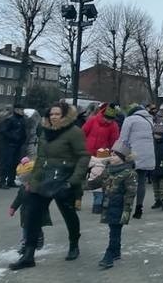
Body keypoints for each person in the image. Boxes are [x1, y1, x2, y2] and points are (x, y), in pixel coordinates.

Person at [9, 102, 90, 271]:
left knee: (68, 214)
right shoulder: (45, 132)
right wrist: (33, 181)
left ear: (65, 116)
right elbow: (40, 158)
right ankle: (29, 255)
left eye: (57, 114)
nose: (53, 117)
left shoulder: (74, 132)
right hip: (44, 178)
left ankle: (74, 244)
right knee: (32, 215)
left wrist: (74, 180)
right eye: (51, 114)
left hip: (64, 179)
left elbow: (83, 156)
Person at [86, 140, 137, 270]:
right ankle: (116, 252)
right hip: (108, 205)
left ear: (122, 158)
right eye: (112, 154)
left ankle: (109, 255)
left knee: (114, 232)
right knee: (114, 231)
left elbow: (130, 194)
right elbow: (96, 183)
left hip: (119, 207)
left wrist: (126, 212)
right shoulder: (108, 170)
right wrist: (81, 184)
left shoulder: (129, 174)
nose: (111, 157)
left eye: (115, 155)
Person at [118, 104, 154, 220]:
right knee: (141, 182)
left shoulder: (129, 120)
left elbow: (123, 139)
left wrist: (119, 155)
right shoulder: (150, 120)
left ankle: (126, 208)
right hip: (147, 154)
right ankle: (139, 208)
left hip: (132, 154)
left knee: (127, 181)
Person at [9, 156, 50, 252]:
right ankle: (25, 245)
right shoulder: (22, 188)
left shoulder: (39, 186)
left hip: (36, 212)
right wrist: (13, 207)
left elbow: (45, 196)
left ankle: (38, 238)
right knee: (25, 228)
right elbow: (19, 198)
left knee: (35, 227)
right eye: (22, 179)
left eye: (27, 178)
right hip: (25, 213)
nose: (25, 182)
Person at [0, 104, 27, 189]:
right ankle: (2, 182)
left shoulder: (22, 120)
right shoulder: (10, 119)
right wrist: (13, 137)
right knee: (6, 163)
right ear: (16, 110)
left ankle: (11, 180)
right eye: (21, 109)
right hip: (9, 145)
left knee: (14, 163)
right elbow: (3, 131)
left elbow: (23, 132)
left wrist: (22, 139)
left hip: (18, 145)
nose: (22, 111)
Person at [87, 148, 111, 214]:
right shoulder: (107, 164)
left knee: (96, 197)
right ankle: (97, 209)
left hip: (92, 183)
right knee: (101, 197)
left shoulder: (93, 162)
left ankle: (96, 208)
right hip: (101, 184)